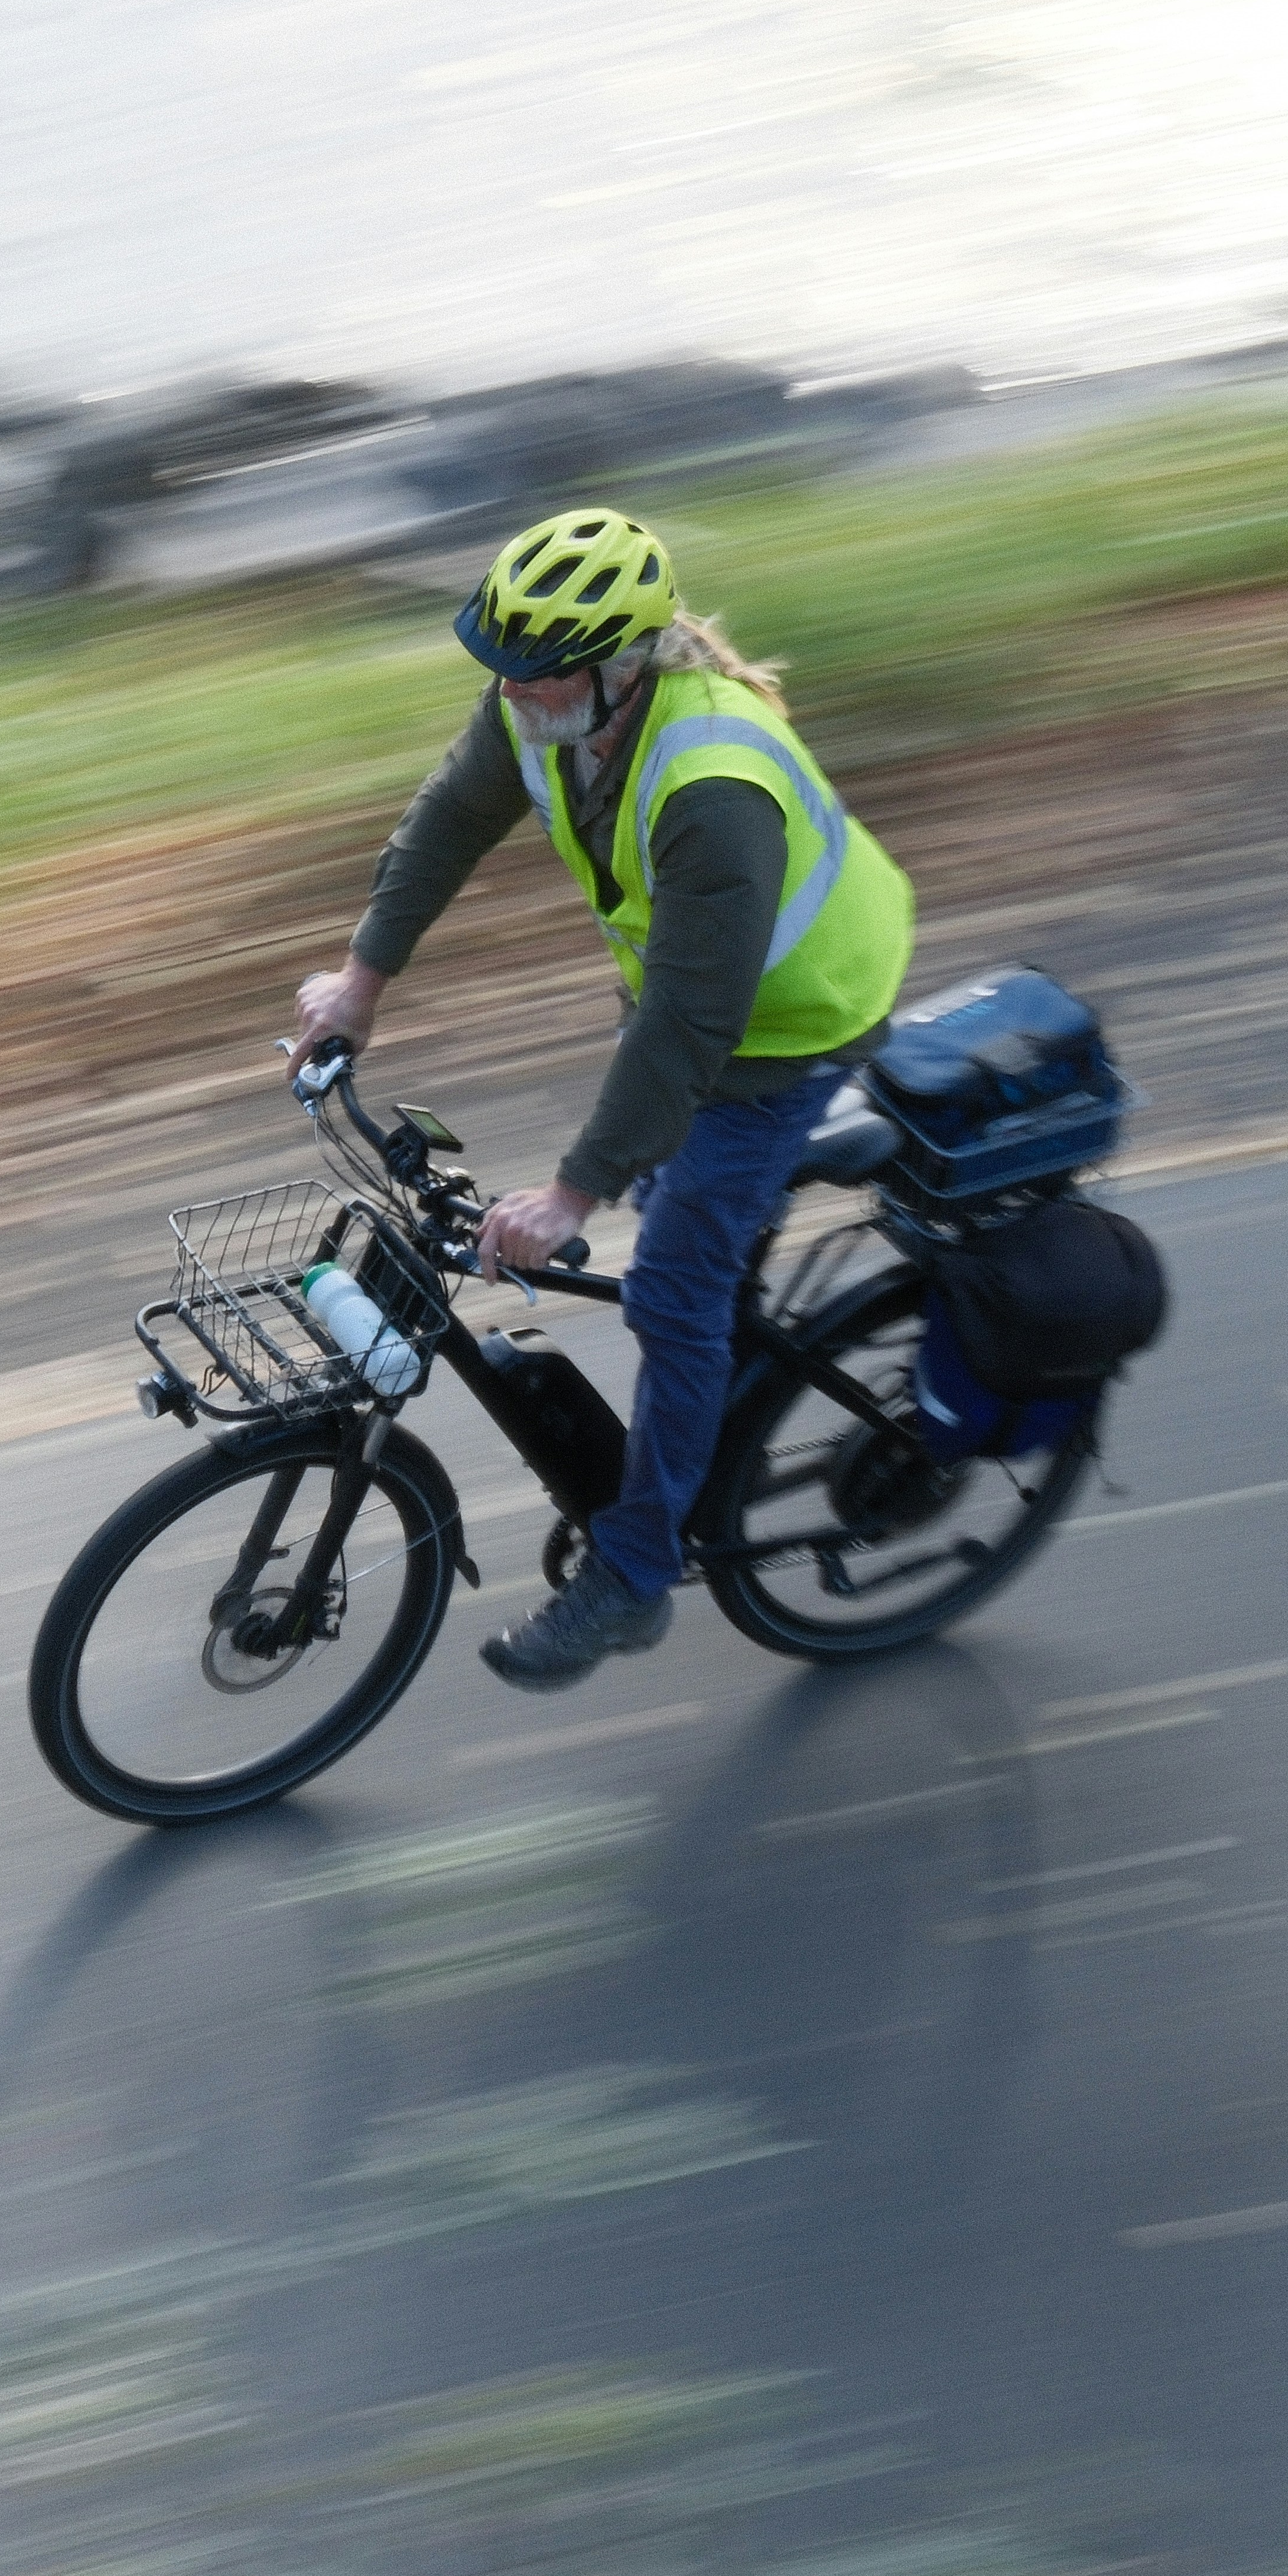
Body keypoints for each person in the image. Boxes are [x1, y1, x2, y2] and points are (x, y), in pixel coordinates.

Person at [287, 506, 914, 1690]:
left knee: (673, 1285)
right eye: (503, 671)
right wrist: (361, 979)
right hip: (699, 992)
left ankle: (632, 1575)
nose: (511, 694)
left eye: (535, 674)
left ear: (621, 665)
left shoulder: (710, 782)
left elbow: (694, 1032)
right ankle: (717, 1369)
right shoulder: (548, 704)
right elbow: (450, 817)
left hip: (792, 1024)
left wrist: (575, 1191)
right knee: (669, 1209)